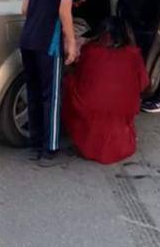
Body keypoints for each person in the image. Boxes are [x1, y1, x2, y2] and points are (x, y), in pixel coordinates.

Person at [20, 0, 84, 167]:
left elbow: (25, 9)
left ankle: (35, 144)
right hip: (49, 44)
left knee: (34, 93)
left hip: (27, 41)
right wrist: (72, 44)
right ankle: (50, 149)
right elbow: (64, 12)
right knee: (52, 96)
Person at [62, 17, 149, 164]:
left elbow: (80, 79)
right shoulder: (133, 54)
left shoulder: (90, 51)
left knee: (68, 83)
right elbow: (144, 83)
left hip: (90, 110)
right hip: (122, 109)